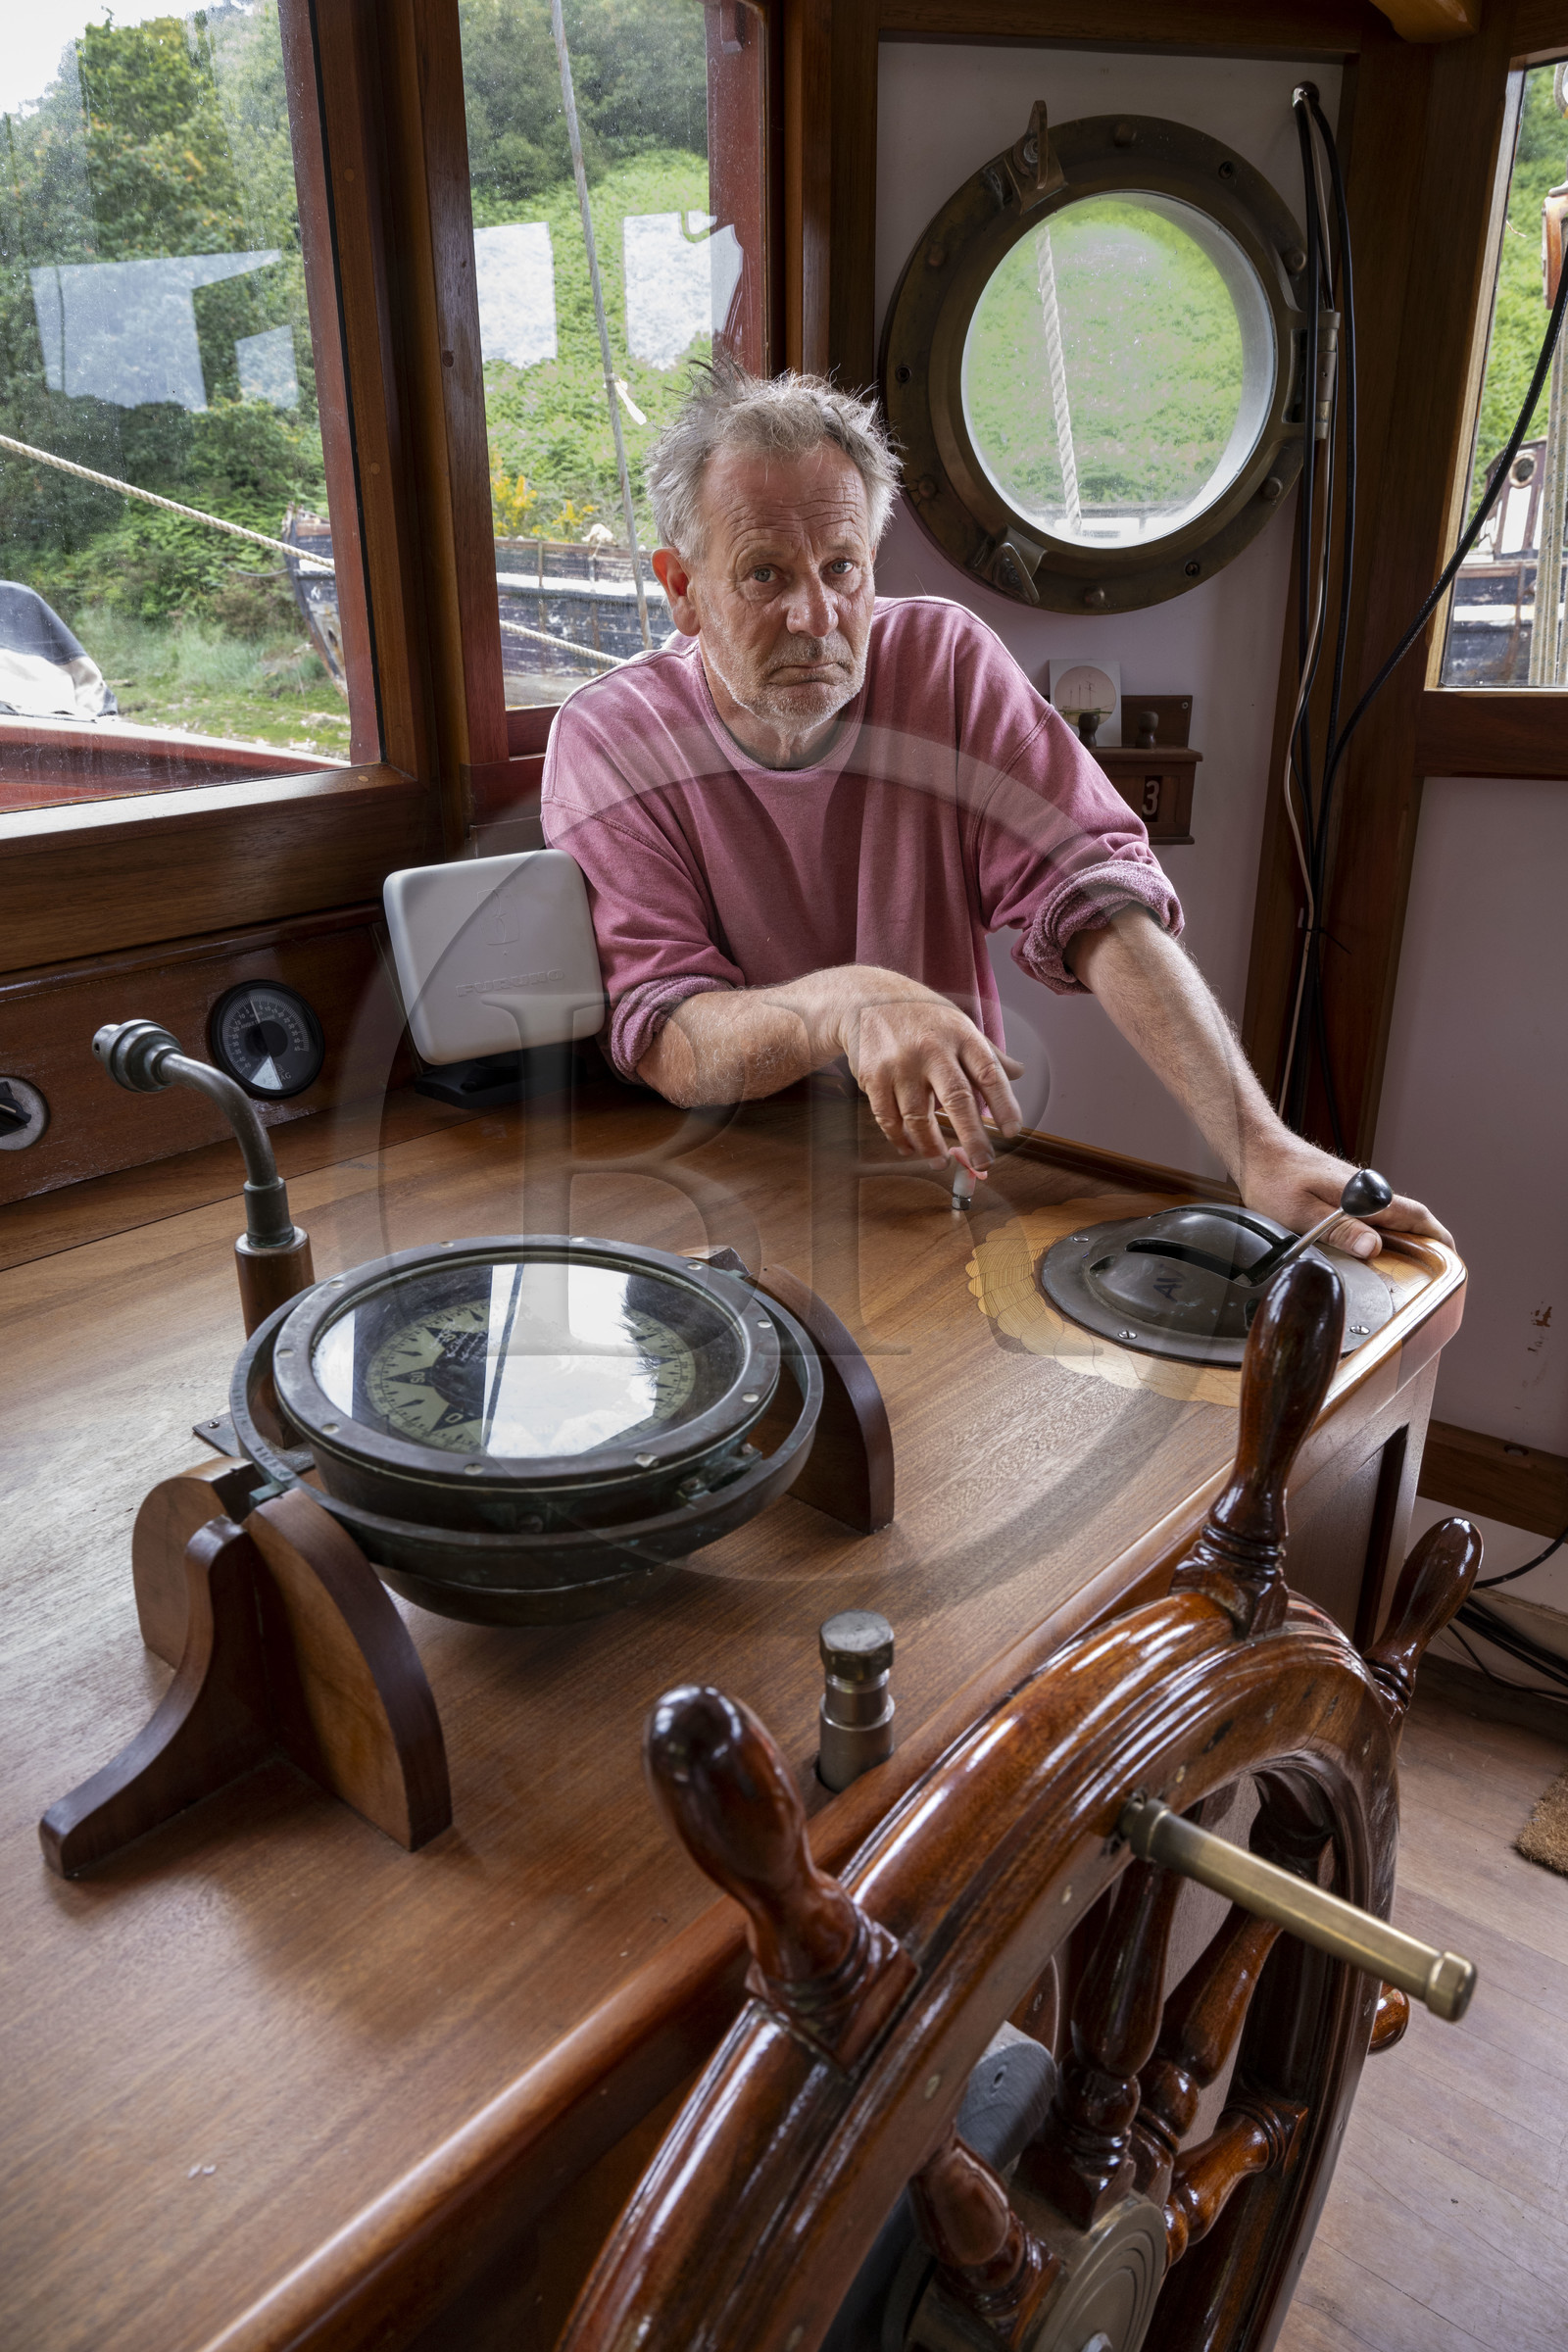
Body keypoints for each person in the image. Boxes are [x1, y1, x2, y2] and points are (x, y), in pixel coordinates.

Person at [540, 363, 1447, 1260]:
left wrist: (1257, 1147)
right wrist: (849, 1003)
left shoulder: (942, 662)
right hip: (713, 1194)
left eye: (842, 567)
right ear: (683, 588)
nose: (817, 616)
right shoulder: (611, 739)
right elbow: (669, 1036)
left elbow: (1096, 897)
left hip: (934, 1181)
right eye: (766, 575)